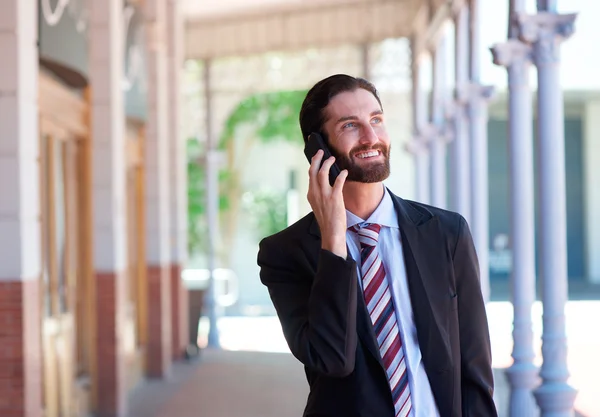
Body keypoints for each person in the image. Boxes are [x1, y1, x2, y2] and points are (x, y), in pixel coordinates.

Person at [257, 74, 497, 417]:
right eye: (350, 125)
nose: (371, 137)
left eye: (376, 120)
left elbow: (474, 366)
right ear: (318, 147)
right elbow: (332, 359)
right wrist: (334, 241)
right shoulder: (285, 254)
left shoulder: (446, 232)